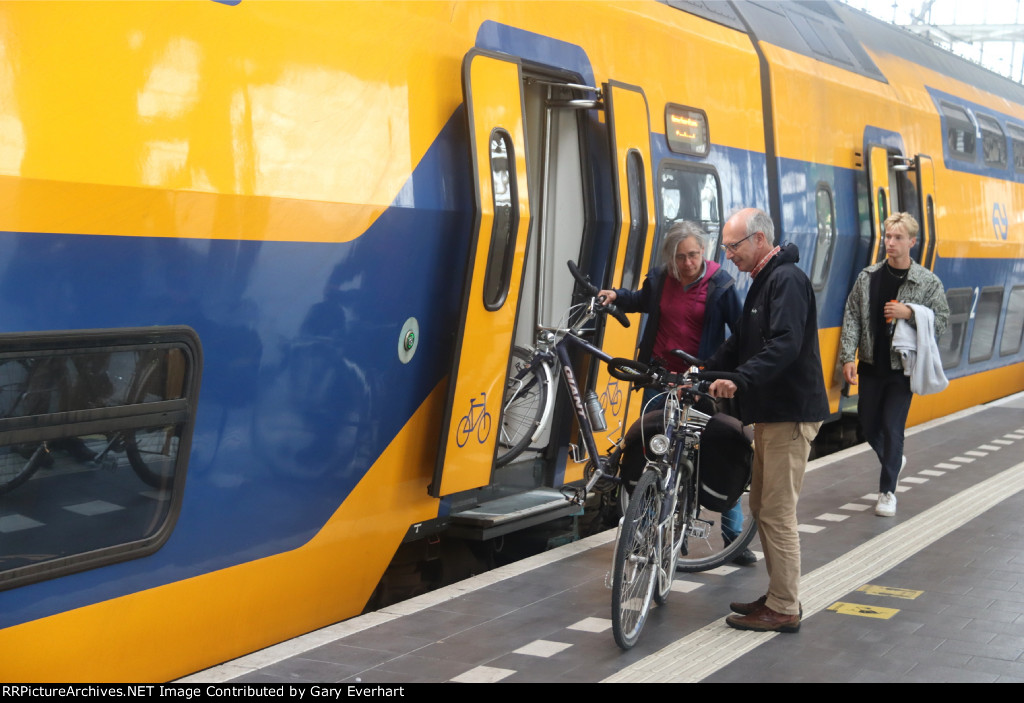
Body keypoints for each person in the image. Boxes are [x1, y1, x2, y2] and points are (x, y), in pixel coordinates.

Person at [704, 208, 829, 633]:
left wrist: (740, 381)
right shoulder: (764, 281)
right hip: (772, 415)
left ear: (759, 240)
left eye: (733, 246)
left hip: (790, 414)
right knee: (760, 506)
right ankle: (777, 595)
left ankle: (785, 605)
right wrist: (703, 372)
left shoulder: (786, 280)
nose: (728, 255)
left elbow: (786, 345)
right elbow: (740, 341)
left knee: (776, 512)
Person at [598, 221, 751, 564]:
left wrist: (729, 373)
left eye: (693, 255)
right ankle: (653, 534)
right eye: (680, 257)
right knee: (653, 454)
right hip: (660, 378)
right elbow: (640, 301)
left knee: (715, 449)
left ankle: (734, 537)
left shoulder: (721, 286)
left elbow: (741, 331)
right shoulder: (659, 280)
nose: (687, 263)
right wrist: (616, 296)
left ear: (704, 253)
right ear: (671, 257)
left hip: (700, 382)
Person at [839, 212, 949, 518]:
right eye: (888, 236)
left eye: (898, 237)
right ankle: (893, 457)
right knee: (867, 423)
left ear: (912, 242)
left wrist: (910, 313)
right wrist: (849, 356)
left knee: (892, 426)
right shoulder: (868, 277)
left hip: (903, 369)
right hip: (871, 365)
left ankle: (887, 491)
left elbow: (941, 320)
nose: (890, 242)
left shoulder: (927, 282)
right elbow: (851, 316)